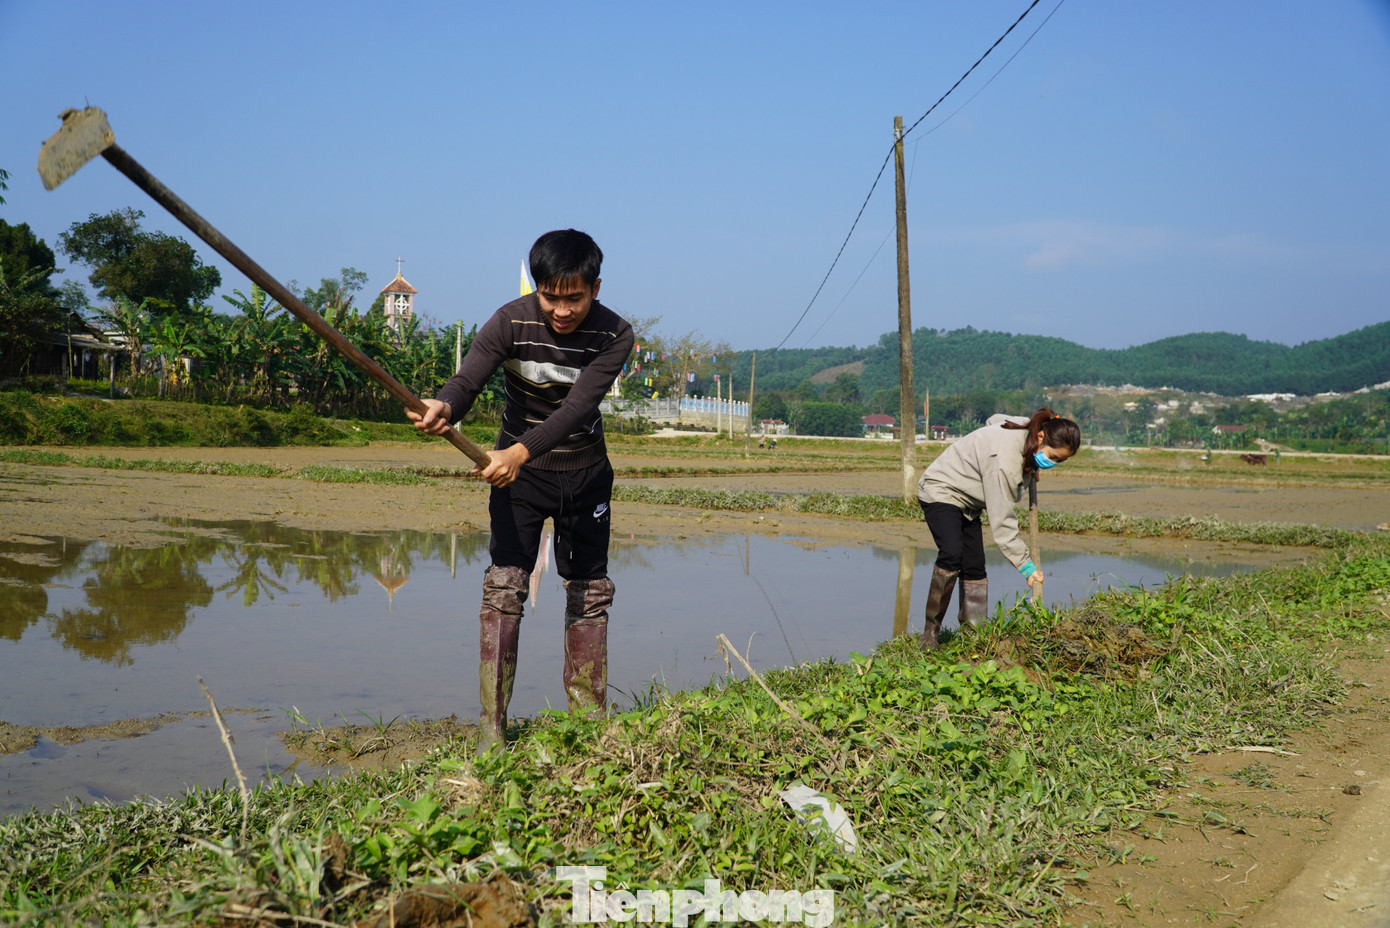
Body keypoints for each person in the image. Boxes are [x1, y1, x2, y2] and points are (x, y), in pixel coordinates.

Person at [409, 229, 635, 751]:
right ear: (537, 288)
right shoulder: (510, 320)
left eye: (573, 297)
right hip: (521, 482)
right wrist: (445, 407)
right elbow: (469, 380)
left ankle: (587, 723)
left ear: (595, 289)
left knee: (588, 592)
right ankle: (493, 728)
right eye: (549, 296)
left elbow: (576, 409)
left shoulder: (615, 335)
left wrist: (516, 452)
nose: (560, 309)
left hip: (582, 474)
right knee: (504, 586)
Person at [915, 407, 1081, 648]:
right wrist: (1026, 566)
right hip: (942, 489)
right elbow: (1002, 521)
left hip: (969, 500)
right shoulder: (1003, 462)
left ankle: (974, 636)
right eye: (1053, 457)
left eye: (1060, 461)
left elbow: (995, 420)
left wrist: (1031, 463)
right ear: (1042, 438)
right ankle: (930, 635)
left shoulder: (1029, 428)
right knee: (952, 553)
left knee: (974, 565)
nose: (1053, 464)